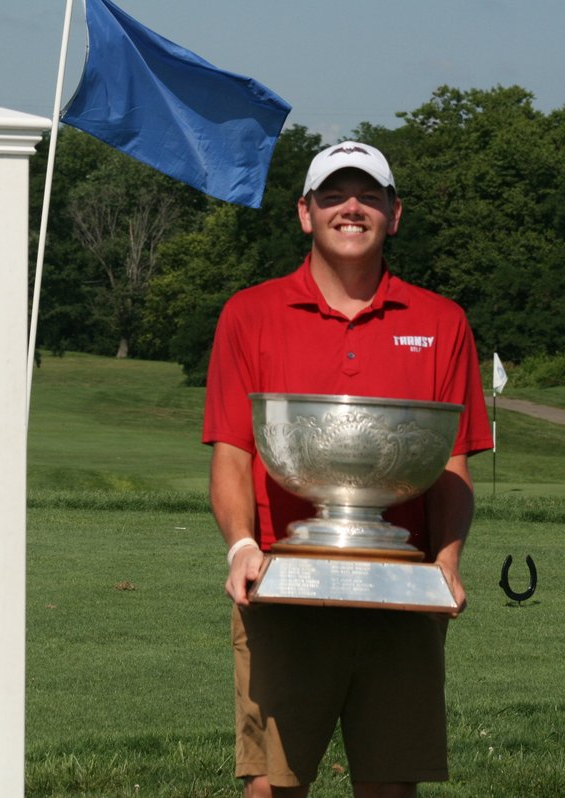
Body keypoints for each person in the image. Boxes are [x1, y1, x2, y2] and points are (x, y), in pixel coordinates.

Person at [201, 141, 494, 798]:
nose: (351, 208)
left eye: (368, 196)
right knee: (270, 787)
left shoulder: (442, 322)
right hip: (282, 585)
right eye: (333, 195)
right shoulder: (249, 314)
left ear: (395, 214)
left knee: (391, 786)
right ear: (305, 213)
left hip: (401, 587)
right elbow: (233, 454)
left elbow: (451, 464)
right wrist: (242, 548)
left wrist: (446, 561)